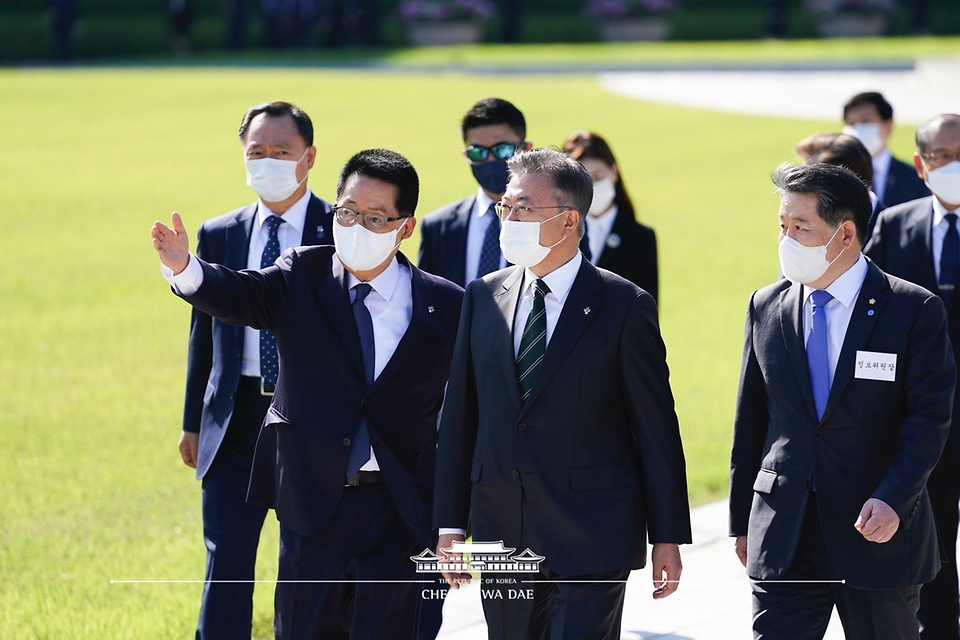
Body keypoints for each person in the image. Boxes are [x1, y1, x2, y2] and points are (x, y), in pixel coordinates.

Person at [152, 148, 463, 639]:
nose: (357, 226)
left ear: (406, 227)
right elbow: (239, 293)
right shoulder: (302, 274)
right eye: (347, 212)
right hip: (314, 500)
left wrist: (453, 521)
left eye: (376, 218)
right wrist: (185, 268)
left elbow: (466, 414)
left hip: (400, 506)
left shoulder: (445, 304)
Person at [433, 148, 692, 639]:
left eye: (523, 208)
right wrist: (449, 525)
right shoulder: (483, 296)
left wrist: (667, 537)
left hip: (593, 530)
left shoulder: (624, 305)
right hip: (503, 528)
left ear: (568, 220)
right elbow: (459, 417)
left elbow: (655, 427)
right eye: (504, 206)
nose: (508, 218)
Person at [730, 162, 955, 639]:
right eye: (782, 226)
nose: (786, 239)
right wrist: (741, 520)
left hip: (876, 532)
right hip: (787, 532)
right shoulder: (766, 305)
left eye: (800, 227)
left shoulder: (912, 309)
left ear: (845, 233)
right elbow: (750, 420)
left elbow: (928, 419)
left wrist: (894, 498)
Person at [176, 100, 333, 640]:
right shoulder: (218, 232)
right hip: (234, 416)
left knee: (305, 566)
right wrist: (192, 419)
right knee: (226, 565)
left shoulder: (342, 228)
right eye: (256, 152)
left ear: (308, 157)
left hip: (308, 418)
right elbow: (204, 331)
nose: (267, 161)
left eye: (281, 152)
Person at [865, 113, 960, 640]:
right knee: (935, 537)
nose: (954, 166)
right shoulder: (895, 225)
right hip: (926, 417)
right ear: (921, 166)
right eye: (943, 157)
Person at [418, 98, 533, 287]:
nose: (490, 160)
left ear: (526, 149)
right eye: (478, 152)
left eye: (502, 150)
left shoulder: (552, 221)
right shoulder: (438, 227)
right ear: (466, 155)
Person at [563, 130, 659, 300]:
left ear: (613, 171)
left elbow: (646, 311)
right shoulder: (556, 233)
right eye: (583, 180)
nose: (591, 187)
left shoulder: (640, 238)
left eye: (598, 177)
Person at [842, 91, 930, 207]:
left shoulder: (916, 178)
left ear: (888, 126)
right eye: (851, 123)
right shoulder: (839, 176)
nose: (857, 128)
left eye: (865, 121)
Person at [795, 131, 885, 242]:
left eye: (812, 181)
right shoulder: (804, 230)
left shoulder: (895, 235)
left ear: (846, 185)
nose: (803, 187)